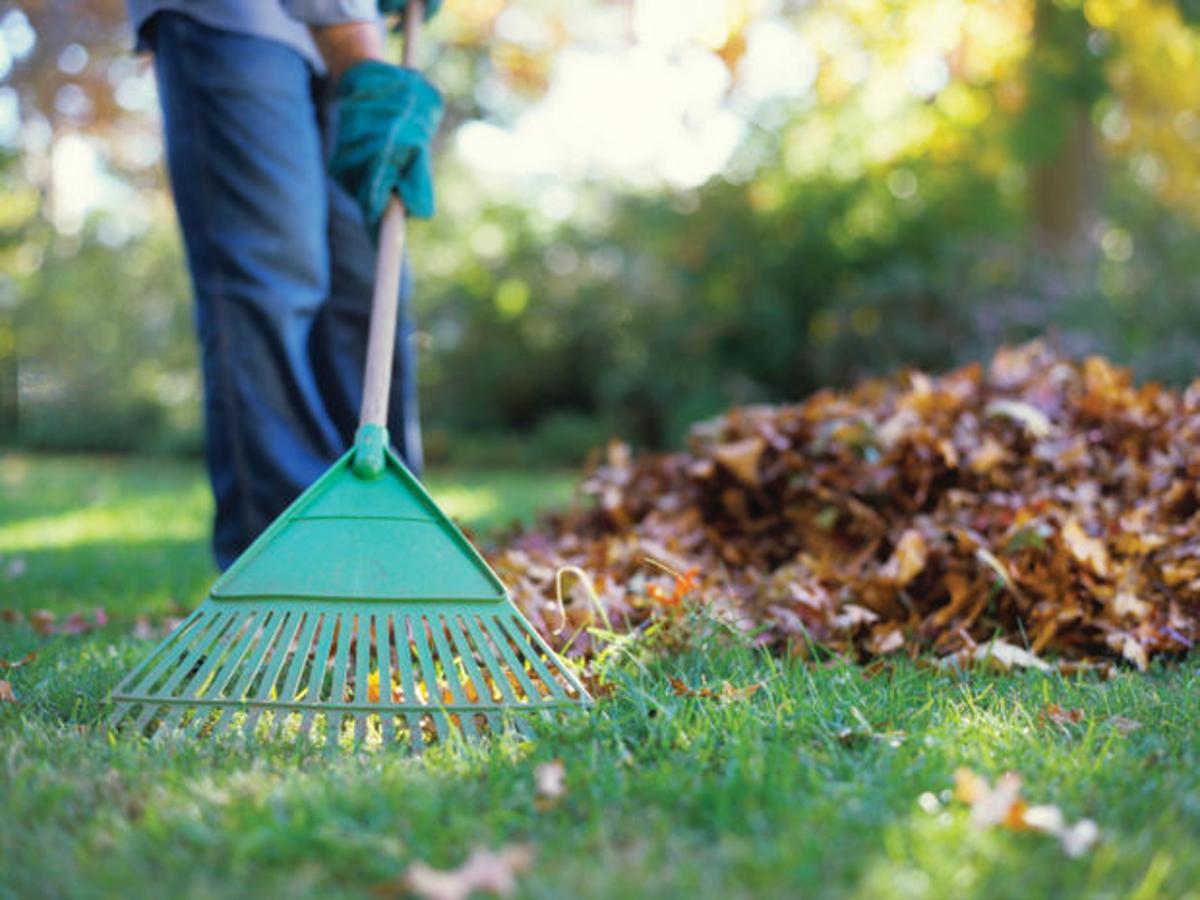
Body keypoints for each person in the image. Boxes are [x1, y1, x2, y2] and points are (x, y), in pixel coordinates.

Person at [123, 0, 443, 570]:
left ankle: (388, 555)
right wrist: (355, 41)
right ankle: (288, 565)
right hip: (234, 19)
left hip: (341, 31)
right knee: (273, 276)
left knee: (367, 284)